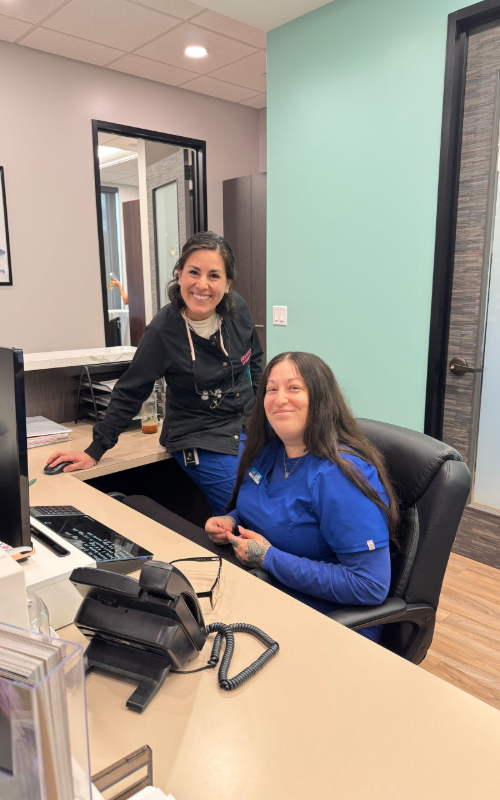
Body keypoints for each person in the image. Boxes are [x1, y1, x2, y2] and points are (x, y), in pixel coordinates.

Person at [47, 232, 264, 515]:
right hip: (200, 438)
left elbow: (256, 361)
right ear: (179, 274)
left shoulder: (238, 310)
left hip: (246, 427)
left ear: (227, 283)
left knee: (283, 493)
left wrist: (266, 418)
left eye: (214, 275)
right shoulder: (163, 331)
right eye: (194, 272)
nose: (202, 285)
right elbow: (131, 390)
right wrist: (95, 450)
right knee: (250, 511)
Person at [205, 352, 398, 641]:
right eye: (271, 389)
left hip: (328, 624)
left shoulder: (341, 474)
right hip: (266, 595)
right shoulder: (270, 452)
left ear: (320, 398)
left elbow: (369, 585)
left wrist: (268, 558)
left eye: (294, 387)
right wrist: (230, 521)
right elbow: (260, 509)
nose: (279, 398)